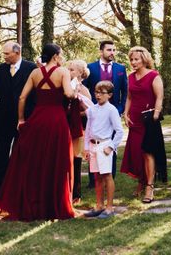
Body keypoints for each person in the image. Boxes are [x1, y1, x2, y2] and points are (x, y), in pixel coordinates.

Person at [0, 43, 76, 221]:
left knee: (37, 160)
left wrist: (21, 119)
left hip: (38, 119)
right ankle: (54, 202)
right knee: (56, 159)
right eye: (60, 54)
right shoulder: (63, 72)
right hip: (56, 120)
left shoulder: (35, 73)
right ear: (55, 56)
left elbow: (22, 97)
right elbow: (69, 94)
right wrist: (76, 90)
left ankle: (35, 200)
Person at [0, 42, 36, 194]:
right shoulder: (1, 68)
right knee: (2, 151)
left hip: (24, 117)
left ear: (17, 53)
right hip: (4, 117)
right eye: (4, 53)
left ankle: (21, 188)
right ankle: (0, 189)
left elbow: (34, 94)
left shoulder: (31, 68)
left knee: (23, 151)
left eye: (7, 54)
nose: (4, 56)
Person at [120, 46, 164, 204]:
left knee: (147, 152)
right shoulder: (130, 77)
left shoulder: (154, 75)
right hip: (135, 120)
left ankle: (149, 187)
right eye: (131, 59)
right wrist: (126, 113)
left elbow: (159, 96)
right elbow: (129, 97)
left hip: (149, 119)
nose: (133, 62)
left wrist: (156, 114)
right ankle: (141, 181)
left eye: (136, 59)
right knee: (137, 152)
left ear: (144, 59)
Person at [84, 41, 127, 185]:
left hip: (113, 111)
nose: (112, 52)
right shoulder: (90, 68)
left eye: (114, 49)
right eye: (109, 50)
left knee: (111, 144)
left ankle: (110, 176)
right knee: (94, 144)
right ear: (101, 51)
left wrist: (120, 109)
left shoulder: (121, 68)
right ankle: (93, 180)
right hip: (95, 113)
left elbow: (125, 92)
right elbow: (84, 91)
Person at [83, 81, 124, 219]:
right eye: (96, 92)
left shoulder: (112, 110)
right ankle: (99, 205)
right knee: (97, 177)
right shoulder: (92, 109)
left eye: (102, 93)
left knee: (107, 176)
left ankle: (109, 207)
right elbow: (88, 129)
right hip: (93, 146)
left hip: (104, 146)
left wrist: (111, 146)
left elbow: (119, 131)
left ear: (110, 95)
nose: (98, 95)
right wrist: (87, 148)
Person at [66, 59, 93, 203]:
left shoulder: (83, 90)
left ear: (80, 73)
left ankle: (76, 192)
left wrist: (74, 112)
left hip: (78, 128)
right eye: (68, 69)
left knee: (76, 159)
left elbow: (89, 111)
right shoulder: (66, 86)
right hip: (65, 126)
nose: (68, 71)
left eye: (72, 70)